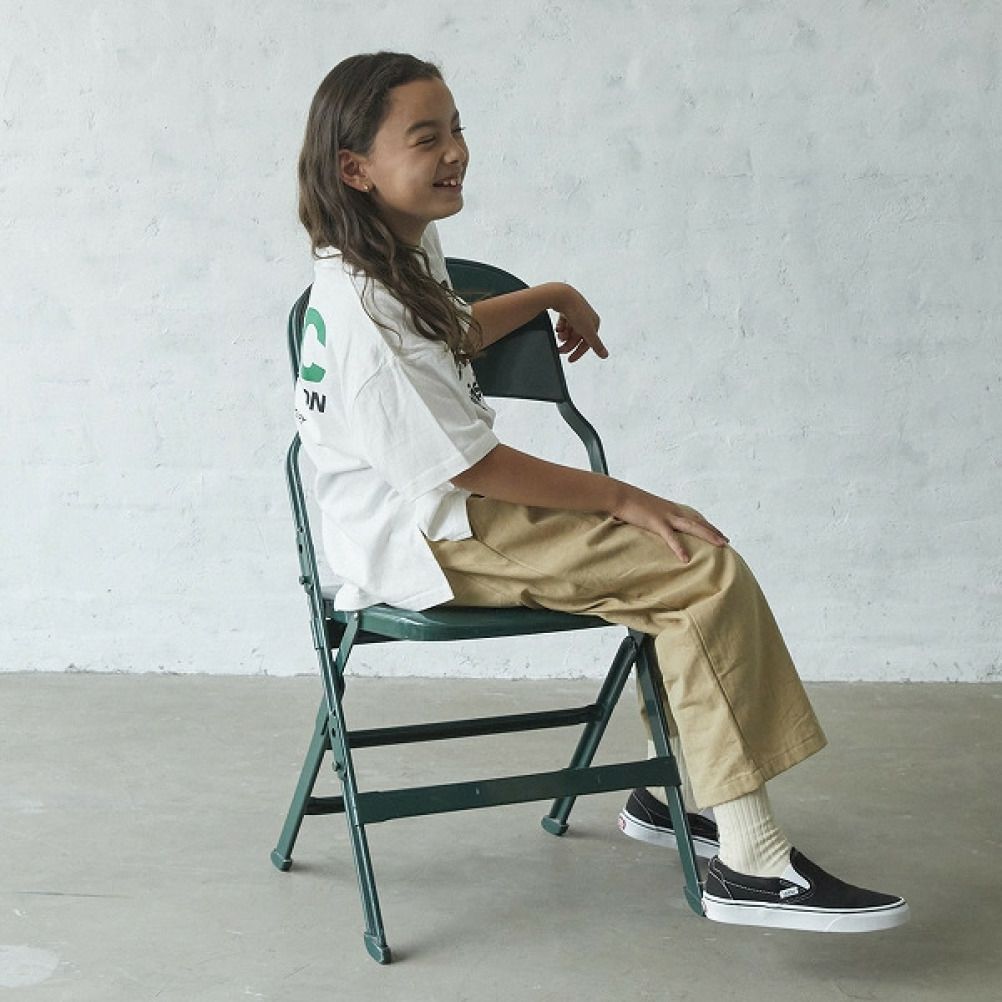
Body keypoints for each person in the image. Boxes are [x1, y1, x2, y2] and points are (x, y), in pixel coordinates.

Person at [293, 50, 909, 934]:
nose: (455, 152)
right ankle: (751, 861)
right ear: (356, 169)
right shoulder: (365, 313)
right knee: (697, 569)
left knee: (679, 562)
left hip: (438, 505)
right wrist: (619, 497)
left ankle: (680, 794)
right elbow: (470, 465)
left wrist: (548, 293)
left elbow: (451, 331)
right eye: (425, 139)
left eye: (457, 129)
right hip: (428, 531)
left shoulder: (390, 246)